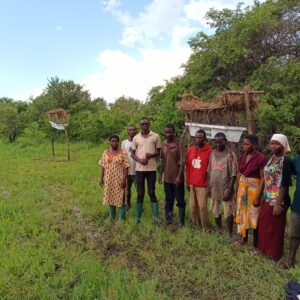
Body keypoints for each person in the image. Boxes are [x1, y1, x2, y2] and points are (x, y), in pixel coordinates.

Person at [257, 134, 293, 261]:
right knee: (263, 223)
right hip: (268, 197)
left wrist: (278, 203)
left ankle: (274, 255)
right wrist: (260, 196)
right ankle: (264, 250)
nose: (273, 146)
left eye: (276, 143)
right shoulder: (271, 158)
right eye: (272, 143)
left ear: (283, 145)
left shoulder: (286, 160)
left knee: (275, 227)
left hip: (279, 199)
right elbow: (266, 178)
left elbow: (285, 183)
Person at [234, 135, 267, 250]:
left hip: (254, 190)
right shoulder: (243, 156)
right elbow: (239, 174)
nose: (244, 146)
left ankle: (256, 245)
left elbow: (263, 178)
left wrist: (258, 197)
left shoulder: (261, 158)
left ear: (254, 145)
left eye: (247, 144)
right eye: (243, 144)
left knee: (254, 216)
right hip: (242, 189)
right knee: (242, 213)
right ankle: (243, 240)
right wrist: (236, 191)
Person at [131, 117, 161, 223]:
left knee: (151, 191)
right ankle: (137, 217)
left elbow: (159, 151)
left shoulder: (156, 136)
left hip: (151, 169)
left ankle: (155, 216)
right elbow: (132, 153)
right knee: (140, 193)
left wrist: (151, 155)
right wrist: (140, 160)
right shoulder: (136, 138)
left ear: (149, 124)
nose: (144, 125)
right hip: (139, 169)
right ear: (140, 125)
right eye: (142, 124)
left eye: (146, 123)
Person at [208, 132, 237, 236]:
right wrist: (208, 187)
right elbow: (209, 170)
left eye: (220, 142)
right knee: (216, 211)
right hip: (214, 187)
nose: (218, 144)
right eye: (216, 142)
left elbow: (234, 174)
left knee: (228, 213)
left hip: (226, 188)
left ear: (225, 141)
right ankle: (219, 229)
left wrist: (229, 190)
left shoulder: (230, 155)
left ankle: (229, 233)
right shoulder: (212, 153)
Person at [159, 124, 186, 226]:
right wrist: (160, 174)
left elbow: (182, 161)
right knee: (168, 199)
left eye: (170, 132)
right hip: (167, 178)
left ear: (174, 132)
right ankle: (168, 219)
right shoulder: (164, 143)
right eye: (166, 132)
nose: (168, 134)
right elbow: (163, 160)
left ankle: (181, 222)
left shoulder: (179, 143)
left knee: (180, 200)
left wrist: (179, 176)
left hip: (177, 178)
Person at [99, 135, 129, 220]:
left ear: (118, 142)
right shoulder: (105, 152)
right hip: (108, 179)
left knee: (121, 197)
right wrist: (101, 178)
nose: (114, 143)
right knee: (110, 196)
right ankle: (111, 216)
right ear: (109, 142)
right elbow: (102, 166)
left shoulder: (123, 153)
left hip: (119, 179)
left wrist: (124, 179)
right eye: (112, 141)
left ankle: (122, 218)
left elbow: (126, 167)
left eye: (116, 141)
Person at [186, 129, 212, 229]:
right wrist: (187, 182)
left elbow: (210, 170)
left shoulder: (209, 151)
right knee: (193, 207)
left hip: (203, 184)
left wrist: (209, 185)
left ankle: (206, 227)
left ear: (204, 138)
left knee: (202, 207)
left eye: (200, 137)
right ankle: (195, 224)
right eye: (196, 137)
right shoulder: (190, 150)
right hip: (192, 183)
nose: (198, 139)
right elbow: (188, 168)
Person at [282, 147, 300, 268]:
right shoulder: (297, 160)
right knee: (294, 234)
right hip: (298, 204)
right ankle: (290, 261)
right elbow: (288, 171)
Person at [121, 125, 137, 210]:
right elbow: (122, 156)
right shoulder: (124, 143)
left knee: (139, 190)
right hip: (126, 171)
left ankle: (139, 205)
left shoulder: (139, 141)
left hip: (137, 170)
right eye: (130, 130)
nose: (132, 131)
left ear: (136, 130)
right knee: (127, 190)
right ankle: (128, 204)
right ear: (127, 131)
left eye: (133, 130)